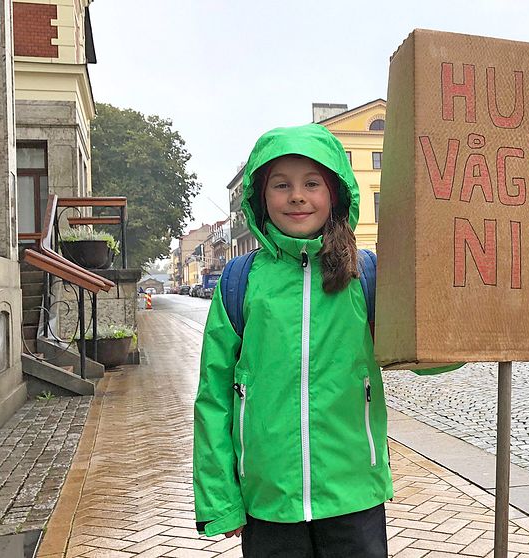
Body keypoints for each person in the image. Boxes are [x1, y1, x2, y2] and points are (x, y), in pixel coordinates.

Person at [192, 123, 459, 557]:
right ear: (261, 198)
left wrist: (468, 318)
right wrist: (221, 499)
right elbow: (214, 395)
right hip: (268, 499)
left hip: (353, 493)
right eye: (282, 185)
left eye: (311, 183)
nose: (297, 196)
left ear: (334, 193)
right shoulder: (240, 282)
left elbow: (426, 352)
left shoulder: (365, 275)